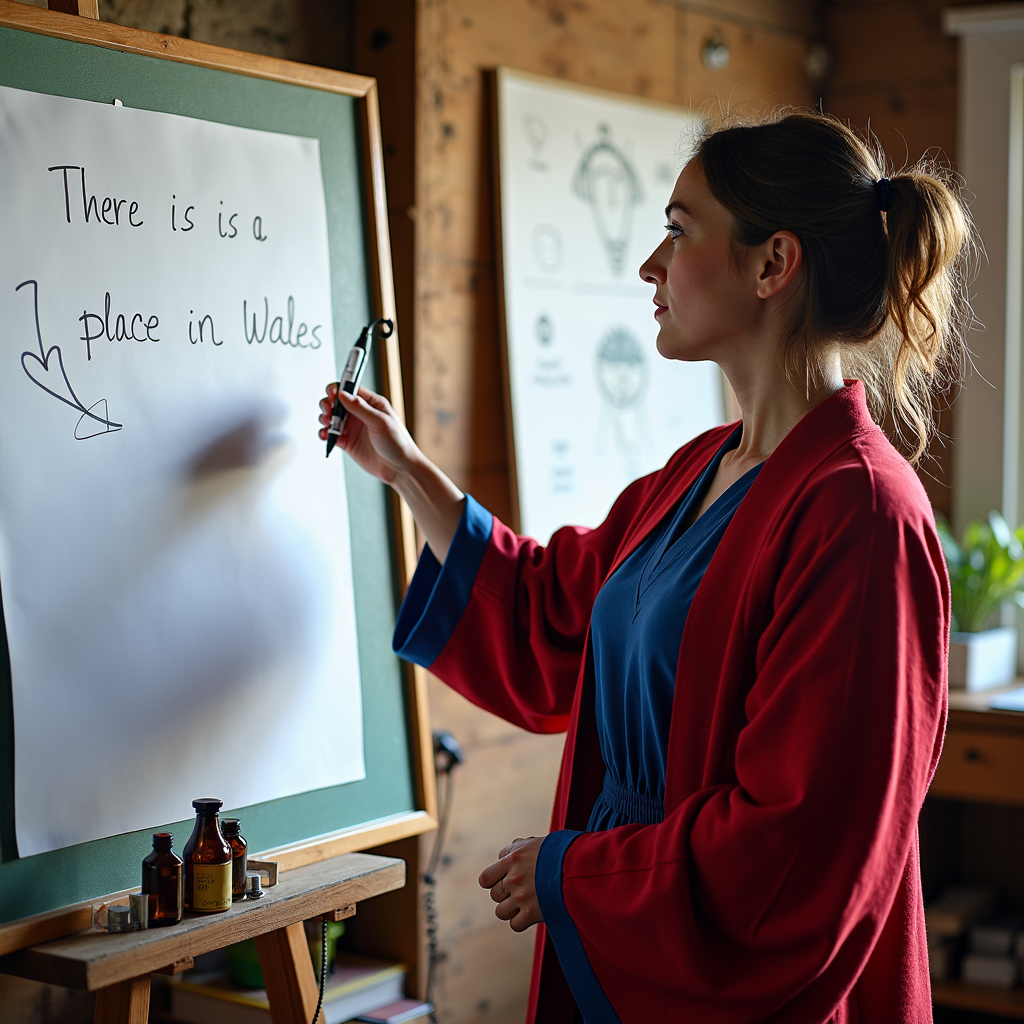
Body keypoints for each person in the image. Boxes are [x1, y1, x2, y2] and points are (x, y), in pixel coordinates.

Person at [319, 110, 972, 1023]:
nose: (650, 266)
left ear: (771, 264)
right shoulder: (692, 474)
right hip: (624, 942)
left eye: (677, 230)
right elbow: (554, 615)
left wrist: (573, 872)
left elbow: (798, 848)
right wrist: (403, 470)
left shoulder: (861, 512)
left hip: (720, 973)